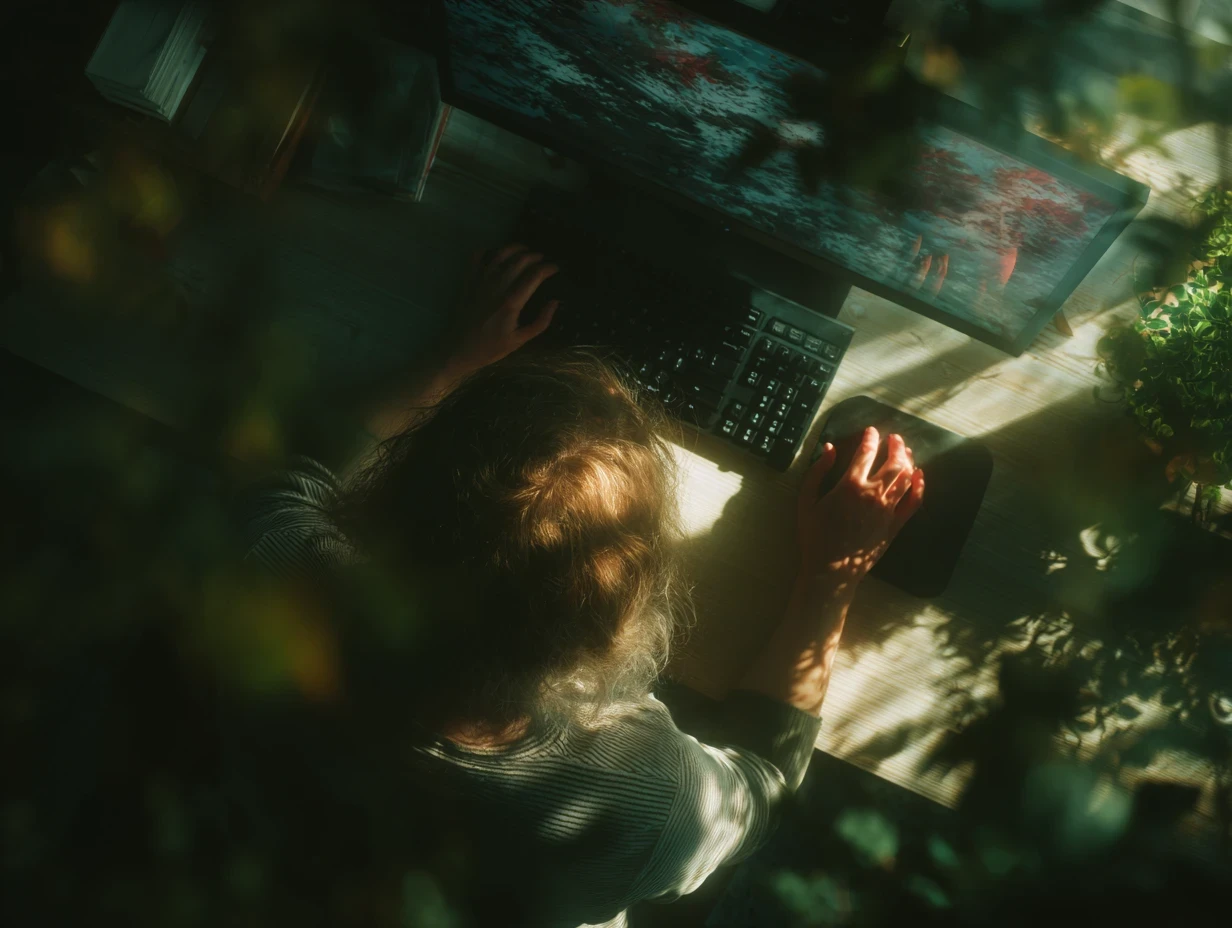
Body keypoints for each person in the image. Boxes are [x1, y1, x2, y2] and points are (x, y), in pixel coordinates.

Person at [243, 244, 925, 927]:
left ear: (387, 503)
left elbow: (292, 480)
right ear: (620, 629)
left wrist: (451, 361)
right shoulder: (655, 807)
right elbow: (764, 788)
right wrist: (833, 578)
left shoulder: (280, 579)